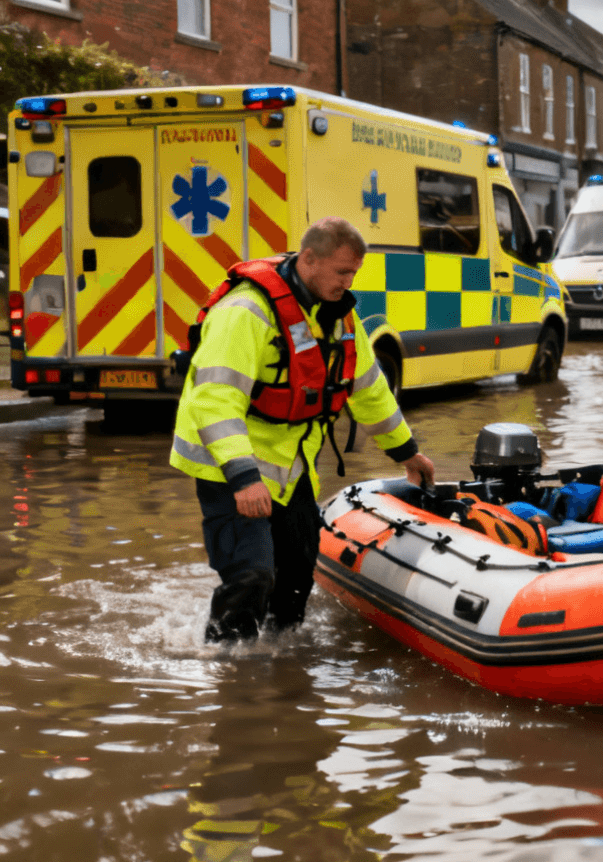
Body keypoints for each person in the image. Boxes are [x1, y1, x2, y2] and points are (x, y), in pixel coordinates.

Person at [170, 217, 434, 643]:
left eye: (354, 273)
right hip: (227, 465)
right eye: (342, 272)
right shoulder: (247, 312)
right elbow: (215, 400)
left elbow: (369, 391)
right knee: (252, 574)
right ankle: (226, 666)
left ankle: (283, 663)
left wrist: (407, 453)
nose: (348, 283)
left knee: (296, 570)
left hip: (288, 466)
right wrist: (242, 477)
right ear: (309, 259)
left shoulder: (340, 321)